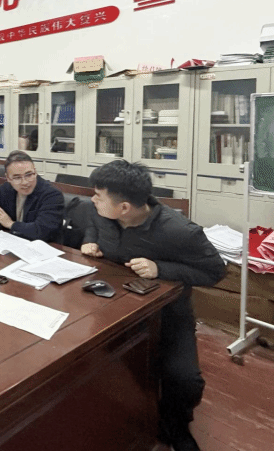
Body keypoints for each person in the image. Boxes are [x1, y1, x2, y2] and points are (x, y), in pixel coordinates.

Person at [80, 160, 225, 451]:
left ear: (125, 207)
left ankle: (177, 428)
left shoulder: (180, 231)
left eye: (98, 195)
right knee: (88, 365)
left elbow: (215, 272)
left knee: (185, 380)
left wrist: (161, 268)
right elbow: (93, 224)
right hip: (113, 307)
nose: (92, 200)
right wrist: (90, 241)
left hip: (167, 314)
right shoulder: (103, 212)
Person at [0, 150, 64, 241]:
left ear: (35, 171)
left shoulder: (52, 195)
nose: (24, 182)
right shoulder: (5, 189)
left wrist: (11, 224)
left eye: (29, 175)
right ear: (8, 178)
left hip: (45, 245)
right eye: (17, 177)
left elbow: (42, 230)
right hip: (14, 241)